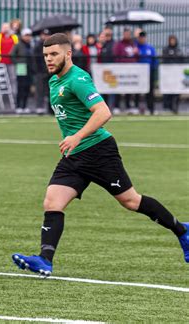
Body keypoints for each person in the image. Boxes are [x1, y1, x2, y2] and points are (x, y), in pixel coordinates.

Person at [11, 33, 188, 277]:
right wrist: (74, 140)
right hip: (74, 157)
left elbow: (103, 112)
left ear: (68, 54)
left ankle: (182, 231)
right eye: (45, 55)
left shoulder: (78, 79)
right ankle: (44, 260)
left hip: (98, 152)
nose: (49, 59)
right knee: (53, 202)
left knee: (131, 201)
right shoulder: (54, 81)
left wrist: (77, 136)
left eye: (54, 54)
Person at [11, 28, 33, 113]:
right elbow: (11, 55)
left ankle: (24, 106)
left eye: (29, 35)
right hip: (21, 67)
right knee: (20, 87)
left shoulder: (30, 45)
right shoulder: (18, 45)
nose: (28, 37)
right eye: (26, 35)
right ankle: (19, 106)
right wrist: (18, 63)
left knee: (27, 87)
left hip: (29, 68)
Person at [135, 31, 157, 115]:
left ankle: (150, 108)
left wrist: (153, 69)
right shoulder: (136, 47)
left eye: (143, 37)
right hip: (138, 73)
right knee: (137, 90)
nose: (142, 39)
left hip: (149, 72)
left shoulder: (150, 48)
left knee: (150, 90)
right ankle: (136, 107)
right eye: (140, 37)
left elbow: (155, 59)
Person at [162, 35, 183, 113]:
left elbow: (182, 60)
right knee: (168, 91)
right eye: (171, 40)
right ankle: (168, 107)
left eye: (174, 40)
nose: (172, 42)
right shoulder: (166, 49)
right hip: (168, 75)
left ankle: (175, 107)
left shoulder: (179, 50)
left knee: (177, 92)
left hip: (177, 75)